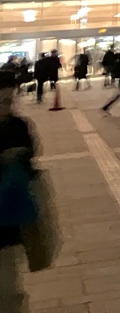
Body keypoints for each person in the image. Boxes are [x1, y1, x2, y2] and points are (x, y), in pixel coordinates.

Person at [0, 69, 38, 311]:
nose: (6, 107)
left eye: (9, 101)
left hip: (8, 221)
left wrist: (20, 156)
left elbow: (31, 154)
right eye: (1, 102)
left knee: (10, 290)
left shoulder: (18, 125)